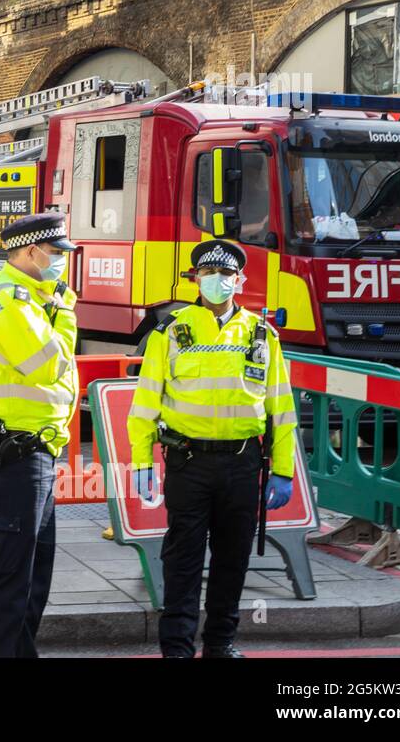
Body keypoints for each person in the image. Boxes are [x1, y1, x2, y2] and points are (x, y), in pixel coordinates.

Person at [127, 240, 297, 659]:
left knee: (233, 557)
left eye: (226, 275)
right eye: (208, 274)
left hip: (243, 462)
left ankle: (220, 643)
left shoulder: (261, 334)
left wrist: (284, 469)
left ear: (240, 280)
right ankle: (177, 648)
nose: (217, 282)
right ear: (195, 279)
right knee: (183, 559)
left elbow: (281, 406)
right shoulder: (171, 331)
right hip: (189, 460)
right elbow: (146, 402)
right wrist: (140, 458)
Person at [0, 212, 78, 658]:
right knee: (6, 584)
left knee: (31, 581)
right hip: (12, 457)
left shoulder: (30, 298)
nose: (61, 264)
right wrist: (66, 313)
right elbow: (48, 365)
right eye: (55, 255)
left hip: (32, 452)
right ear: (31, 252)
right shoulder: (11, 302)